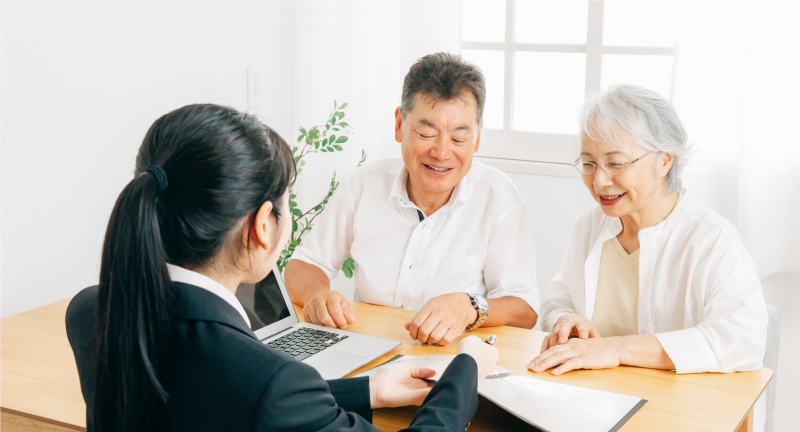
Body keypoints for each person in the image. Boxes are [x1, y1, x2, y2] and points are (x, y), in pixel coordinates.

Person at [65, 104, 498, 432]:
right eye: (287, 203)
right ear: (261, 226)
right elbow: (260, 395)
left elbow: (221, 397)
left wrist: (367, 389)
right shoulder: (272, 379)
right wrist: (466, 369)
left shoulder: (90, 311)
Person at [286, 53, 539, 346]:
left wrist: (470, 306)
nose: (442, 152)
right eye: (426, 132)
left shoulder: (499, 198)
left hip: (452, 365)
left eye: (458, 138)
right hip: (367, 352)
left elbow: (526, 309)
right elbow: (303, 266)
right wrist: (317, 295)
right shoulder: (362, 185)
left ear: (477, 138)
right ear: (399, 125)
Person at [528, 84, 768, 376]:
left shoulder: (712, 240)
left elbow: (742, 341)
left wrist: (615, 349)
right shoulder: (589, 226)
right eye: (589, 163)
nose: (599, 181)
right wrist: (566, 320)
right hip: (592, 401)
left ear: (664, 160)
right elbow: (558, 300)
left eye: (615, 163)